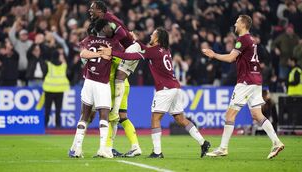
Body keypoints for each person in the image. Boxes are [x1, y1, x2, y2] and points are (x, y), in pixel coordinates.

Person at [99, 27, 211, 158]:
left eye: (153, 34)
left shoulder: (153, 52)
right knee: (181, 119)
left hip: (164, 90)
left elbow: (132, 56)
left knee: (155, 119)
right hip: (175, 87)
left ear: (157, 38)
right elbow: (145, 49)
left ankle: (157, 152)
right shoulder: (164, 50)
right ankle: (203, 142)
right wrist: (135, 39)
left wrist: (112, 52)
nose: (151, 36)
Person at [201, 15, 284, 159]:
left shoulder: (243, 40)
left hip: (246, 82)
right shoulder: (252, 40)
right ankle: (276, 142)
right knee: (257, 115)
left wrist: (214, 55)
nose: (235, 23)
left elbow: (231, 58)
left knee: (229, 115)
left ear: (243, 25)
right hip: (256, 80)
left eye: (237, 22)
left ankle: (222, 148)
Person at [88, 1, 142, 157]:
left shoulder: (112, 46)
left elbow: (123, 35)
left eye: (93, 9)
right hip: (124, 85)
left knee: (112, 116)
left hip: (117, 85)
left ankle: (107, 148)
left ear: (100, 10)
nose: (90, 11)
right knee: (122, 117)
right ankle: (135, 146)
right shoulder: (114, 48)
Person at [68, 19, 122, 159]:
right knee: (104, 116)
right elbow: (122, 54)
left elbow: (83, 54)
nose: (111, 28)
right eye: (109, 27)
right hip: (101, 83)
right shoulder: (113, 42)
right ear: (103, 28)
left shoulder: (89, 39)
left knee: (84, 116)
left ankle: (77, 149)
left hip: (88, 82)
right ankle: (103, 149)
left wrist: (99, 54)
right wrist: (102, 54)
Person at [42, 46, 70, 129]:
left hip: (49, 90)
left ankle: (45, 125)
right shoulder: (63, 65)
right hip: (60, 91)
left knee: (47, 109)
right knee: (58, 109)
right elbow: (65, 64)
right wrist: (62, 57)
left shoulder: (48, 65)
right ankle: (58, 125)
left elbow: (44, 74)